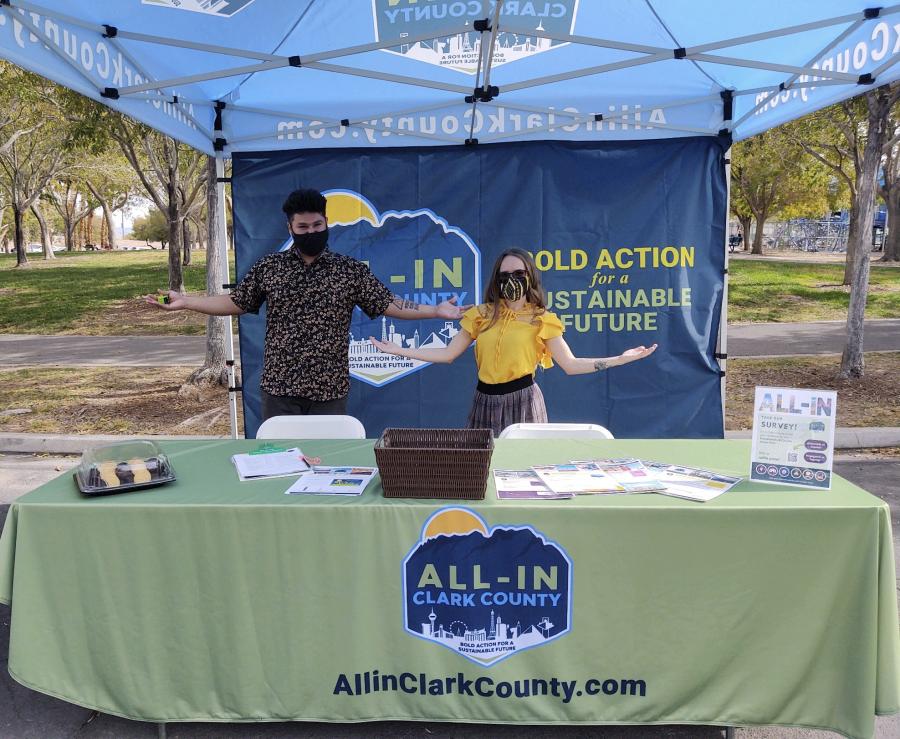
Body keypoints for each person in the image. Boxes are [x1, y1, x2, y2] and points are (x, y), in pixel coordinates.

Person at [146, 188, 468, 421]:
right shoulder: (269, 267)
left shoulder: (349, 270)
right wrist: (187, 301)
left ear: (326, 222)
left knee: (326, 469)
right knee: (280, 468)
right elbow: (236, 301)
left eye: (317, 225)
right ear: (290, 228)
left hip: (329, 392)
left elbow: (389, 303)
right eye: (303, 227)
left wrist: (436, 311)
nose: (311, 232)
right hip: (279, 391)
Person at [370, 248, 657, 436]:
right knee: (481, 472)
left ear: (530, 277)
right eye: (505, 275)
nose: (512, 280)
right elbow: (448, 354)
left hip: (524, 403)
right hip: (483, 402)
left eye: (519, 274)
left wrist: (621, 359)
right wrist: (399, 349)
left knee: (523, 472)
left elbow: (570, 365)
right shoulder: (480, 314)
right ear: (496, 280)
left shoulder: (542, 319)